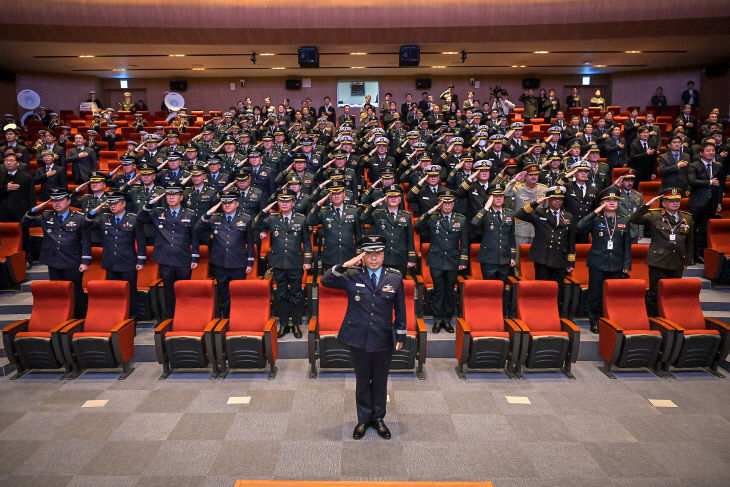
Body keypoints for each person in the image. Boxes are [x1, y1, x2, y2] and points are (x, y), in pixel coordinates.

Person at [320, 235, 405, 440]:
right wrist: (346, 264)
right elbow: (325, 281)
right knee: (362, 379)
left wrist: (400, 333)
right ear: (363, 256)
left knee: (380, 380)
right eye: (369, 254)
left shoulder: (394, 276)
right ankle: (363, 419)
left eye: (378, 254)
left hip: (383, 336)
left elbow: (400, 309)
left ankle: (378, 418)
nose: (374, 258)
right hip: (358, 337)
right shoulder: (352, 275)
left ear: (384, 255)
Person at [253, 188, 312, 338]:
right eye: (281, 201)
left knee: (296, 295)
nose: (284, 204)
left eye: (287, 201)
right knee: (280, 295)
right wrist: (266, 209)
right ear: (277, 202)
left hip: (296, 263)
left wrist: (308, 260)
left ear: (293, 202)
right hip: (278, 263)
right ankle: (284, 324)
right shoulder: (272, 218)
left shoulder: (301, 219)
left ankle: (296, 324)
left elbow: (306, 241)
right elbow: (255, 225)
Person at [22, 189, 91, 318]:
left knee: (75, 292)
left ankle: (80, 319)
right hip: (53, 261)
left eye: (60, 200)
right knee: (58, 292)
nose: (57, 203)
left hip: (72, 261)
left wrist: (85, 261)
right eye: (54, 200)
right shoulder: (46, 216)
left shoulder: (79, 217)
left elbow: (86, 241)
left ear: (68, 201)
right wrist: (35, 209)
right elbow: (24, 223)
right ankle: (62, 318)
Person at [137, 182, 200, 318]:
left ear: (181, 197)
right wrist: (150, 203)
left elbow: (195, 237)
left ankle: (186, 317)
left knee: (184, 290)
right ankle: (171, 318)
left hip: (183, 258)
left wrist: (195, 257)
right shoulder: (158, 212)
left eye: (175, 195)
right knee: (169, 292)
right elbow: (140, 218)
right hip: (165, 259)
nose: (171, 198)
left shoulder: (190, 214)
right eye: (169, 195)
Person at [576, 187, 632, 333]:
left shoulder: (624, 220)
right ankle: (595, 320)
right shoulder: (596, 219)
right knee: (595, 294)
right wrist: (596, 210)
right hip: (597, 262)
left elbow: (627, 244)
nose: (612, 203)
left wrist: (627, 264)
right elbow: (580, 227)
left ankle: (612, 319)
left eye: (615, 200)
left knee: (613, 293)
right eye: (608, 200)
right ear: (602, 203)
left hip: (616, 263)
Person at [630, 188, 693, 316]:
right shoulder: (655, 215)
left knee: (673, 292)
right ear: (663, 202)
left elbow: (690, 242)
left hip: (677, 261)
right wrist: (648, 204)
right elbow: (634, 219)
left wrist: (687, 260)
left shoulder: (687, 218)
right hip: (658, 261)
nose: (675, 203)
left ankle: (669, 317)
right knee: (655, 293)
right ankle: (653, 318)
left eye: (677, 200)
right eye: (671, 201)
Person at [84, 191, 146, 319]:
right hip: (110, 262)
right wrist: (95, 211)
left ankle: (131, 318)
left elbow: (141, 241)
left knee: (130, 292)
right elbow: (86, 225)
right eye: (110, 203)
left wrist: (141, 260)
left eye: (116, 203)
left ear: (123, 204)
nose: (113, 206)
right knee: (114, 292)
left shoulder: (133, 218)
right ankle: (117, 317)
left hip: (127, 262)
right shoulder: (104, 218)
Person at [194, 190, 255, 318]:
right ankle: (227, 319)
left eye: (230, 203)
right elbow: (197, 229)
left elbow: (250, 242)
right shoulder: (214, 218)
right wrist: (209, 212)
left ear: (236, 203)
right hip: (220, 263)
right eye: (224, 203)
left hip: (238, 263)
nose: (227, 205)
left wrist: (250, 262)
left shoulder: (246, 219)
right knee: (224, 293)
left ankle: (240, 318)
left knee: (239, 293)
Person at [514, 186, 576, 310]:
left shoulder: (568, 216)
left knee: (558, 288)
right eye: (554, 199)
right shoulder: (539, 213)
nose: (557, 202)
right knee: (541, 287)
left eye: (559, 199)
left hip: (559, 257)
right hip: (542, 257)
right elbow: (519, 214)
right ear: (548, 200)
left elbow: (571, 240)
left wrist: (571, 261)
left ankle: (555, 311)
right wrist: (536, 202)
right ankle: (540, 310)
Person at [416, 189, 469, 333]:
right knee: (438, 290)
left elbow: (464, 243)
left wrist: (463, 260)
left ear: (453, 204)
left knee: (450, 291)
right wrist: (431, 211)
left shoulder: (460, 219)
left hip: (452, 260)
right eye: (444, 203)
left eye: (449, 203)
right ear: (440, 204)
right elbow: (418, 225)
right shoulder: (433, 218)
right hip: (436, 260)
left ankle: (447, 319)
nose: (447, 206)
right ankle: (437, 319)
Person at [687, 141, 723, 263]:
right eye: (708, 150)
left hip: (711, 203)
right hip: (697, 202)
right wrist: (709, 182)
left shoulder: (718, 166)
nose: (711, 152)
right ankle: (689, 255)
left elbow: (720, 186)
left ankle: (698, 254)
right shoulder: (694, 166)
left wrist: (719, 203)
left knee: (703, 231)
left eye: (713, 150)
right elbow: (692, 181)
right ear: (701, 153)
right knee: (692, 230)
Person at [471, 184, 516, 282]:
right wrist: (486, 207)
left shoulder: (509, 213)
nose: (498, 198)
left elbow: (511, 237)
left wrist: (512, 256)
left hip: (505, 258)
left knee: (502, 288)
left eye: (501, 196)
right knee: (489, 289)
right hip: (488, 258)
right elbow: (474, 223)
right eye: (495, 196)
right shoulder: (485, 213)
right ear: (490, 198)